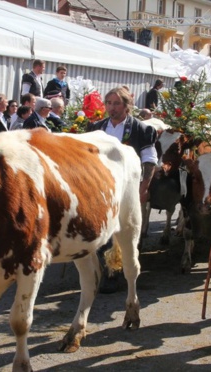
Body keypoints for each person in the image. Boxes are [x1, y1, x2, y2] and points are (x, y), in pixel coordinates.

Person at [87, 86, 157, 293]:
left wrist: (144, 188)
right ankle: (105, 271)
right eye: (108, 103)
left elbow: (150, 161)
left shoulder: (142, 130)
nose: (112, 108)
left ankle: (122, 270)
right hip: (99, 187)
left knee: (124, 230)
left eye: (116, 103)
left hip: (127, 188)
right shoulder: (95, 128)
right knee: (102, 229)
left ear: (127, 106)